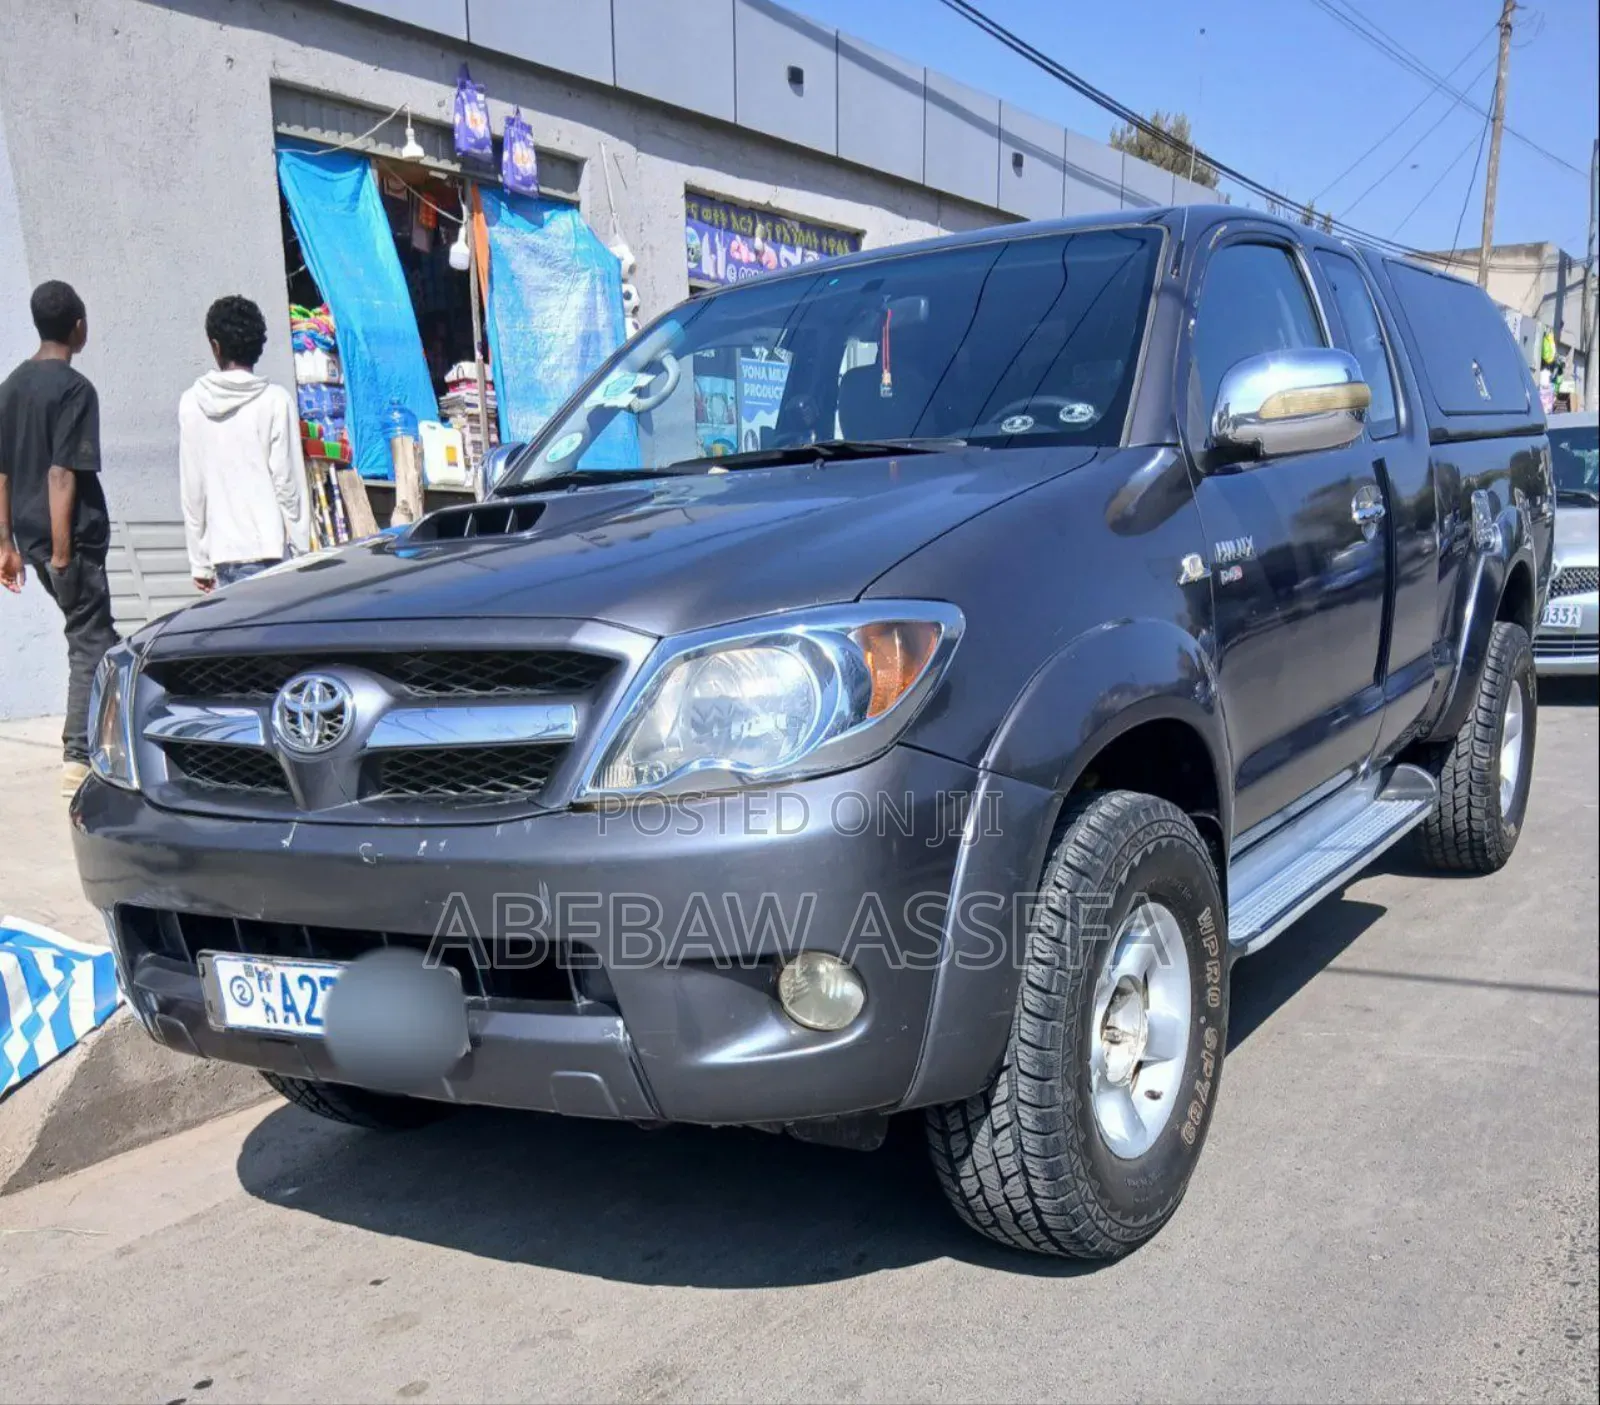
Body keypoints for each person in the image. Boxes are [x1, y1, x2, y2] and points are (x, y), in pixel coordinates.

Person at [0, 280, 119, 798]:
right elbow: (61, 474)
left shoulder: (10, 388)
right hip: (67, 541)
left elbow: (2, 474)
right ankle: (77, 758)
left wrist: (6, 544)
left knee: (99, 640)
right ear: (79, 326)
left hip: (29, 539)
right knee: (91, 643)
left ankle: (104, 740)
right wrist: (65, 553)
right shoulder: (76, 390)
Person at [179, 295, 311, 593]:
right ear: (258, 345)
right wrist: (303, 551)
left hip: (224, 556)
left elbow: (193, 490)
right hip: (273, 552)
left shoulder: (192, 404)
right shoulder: (276, 401)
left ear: (215, 346)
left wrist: (199, 560)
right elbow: (288, 485)